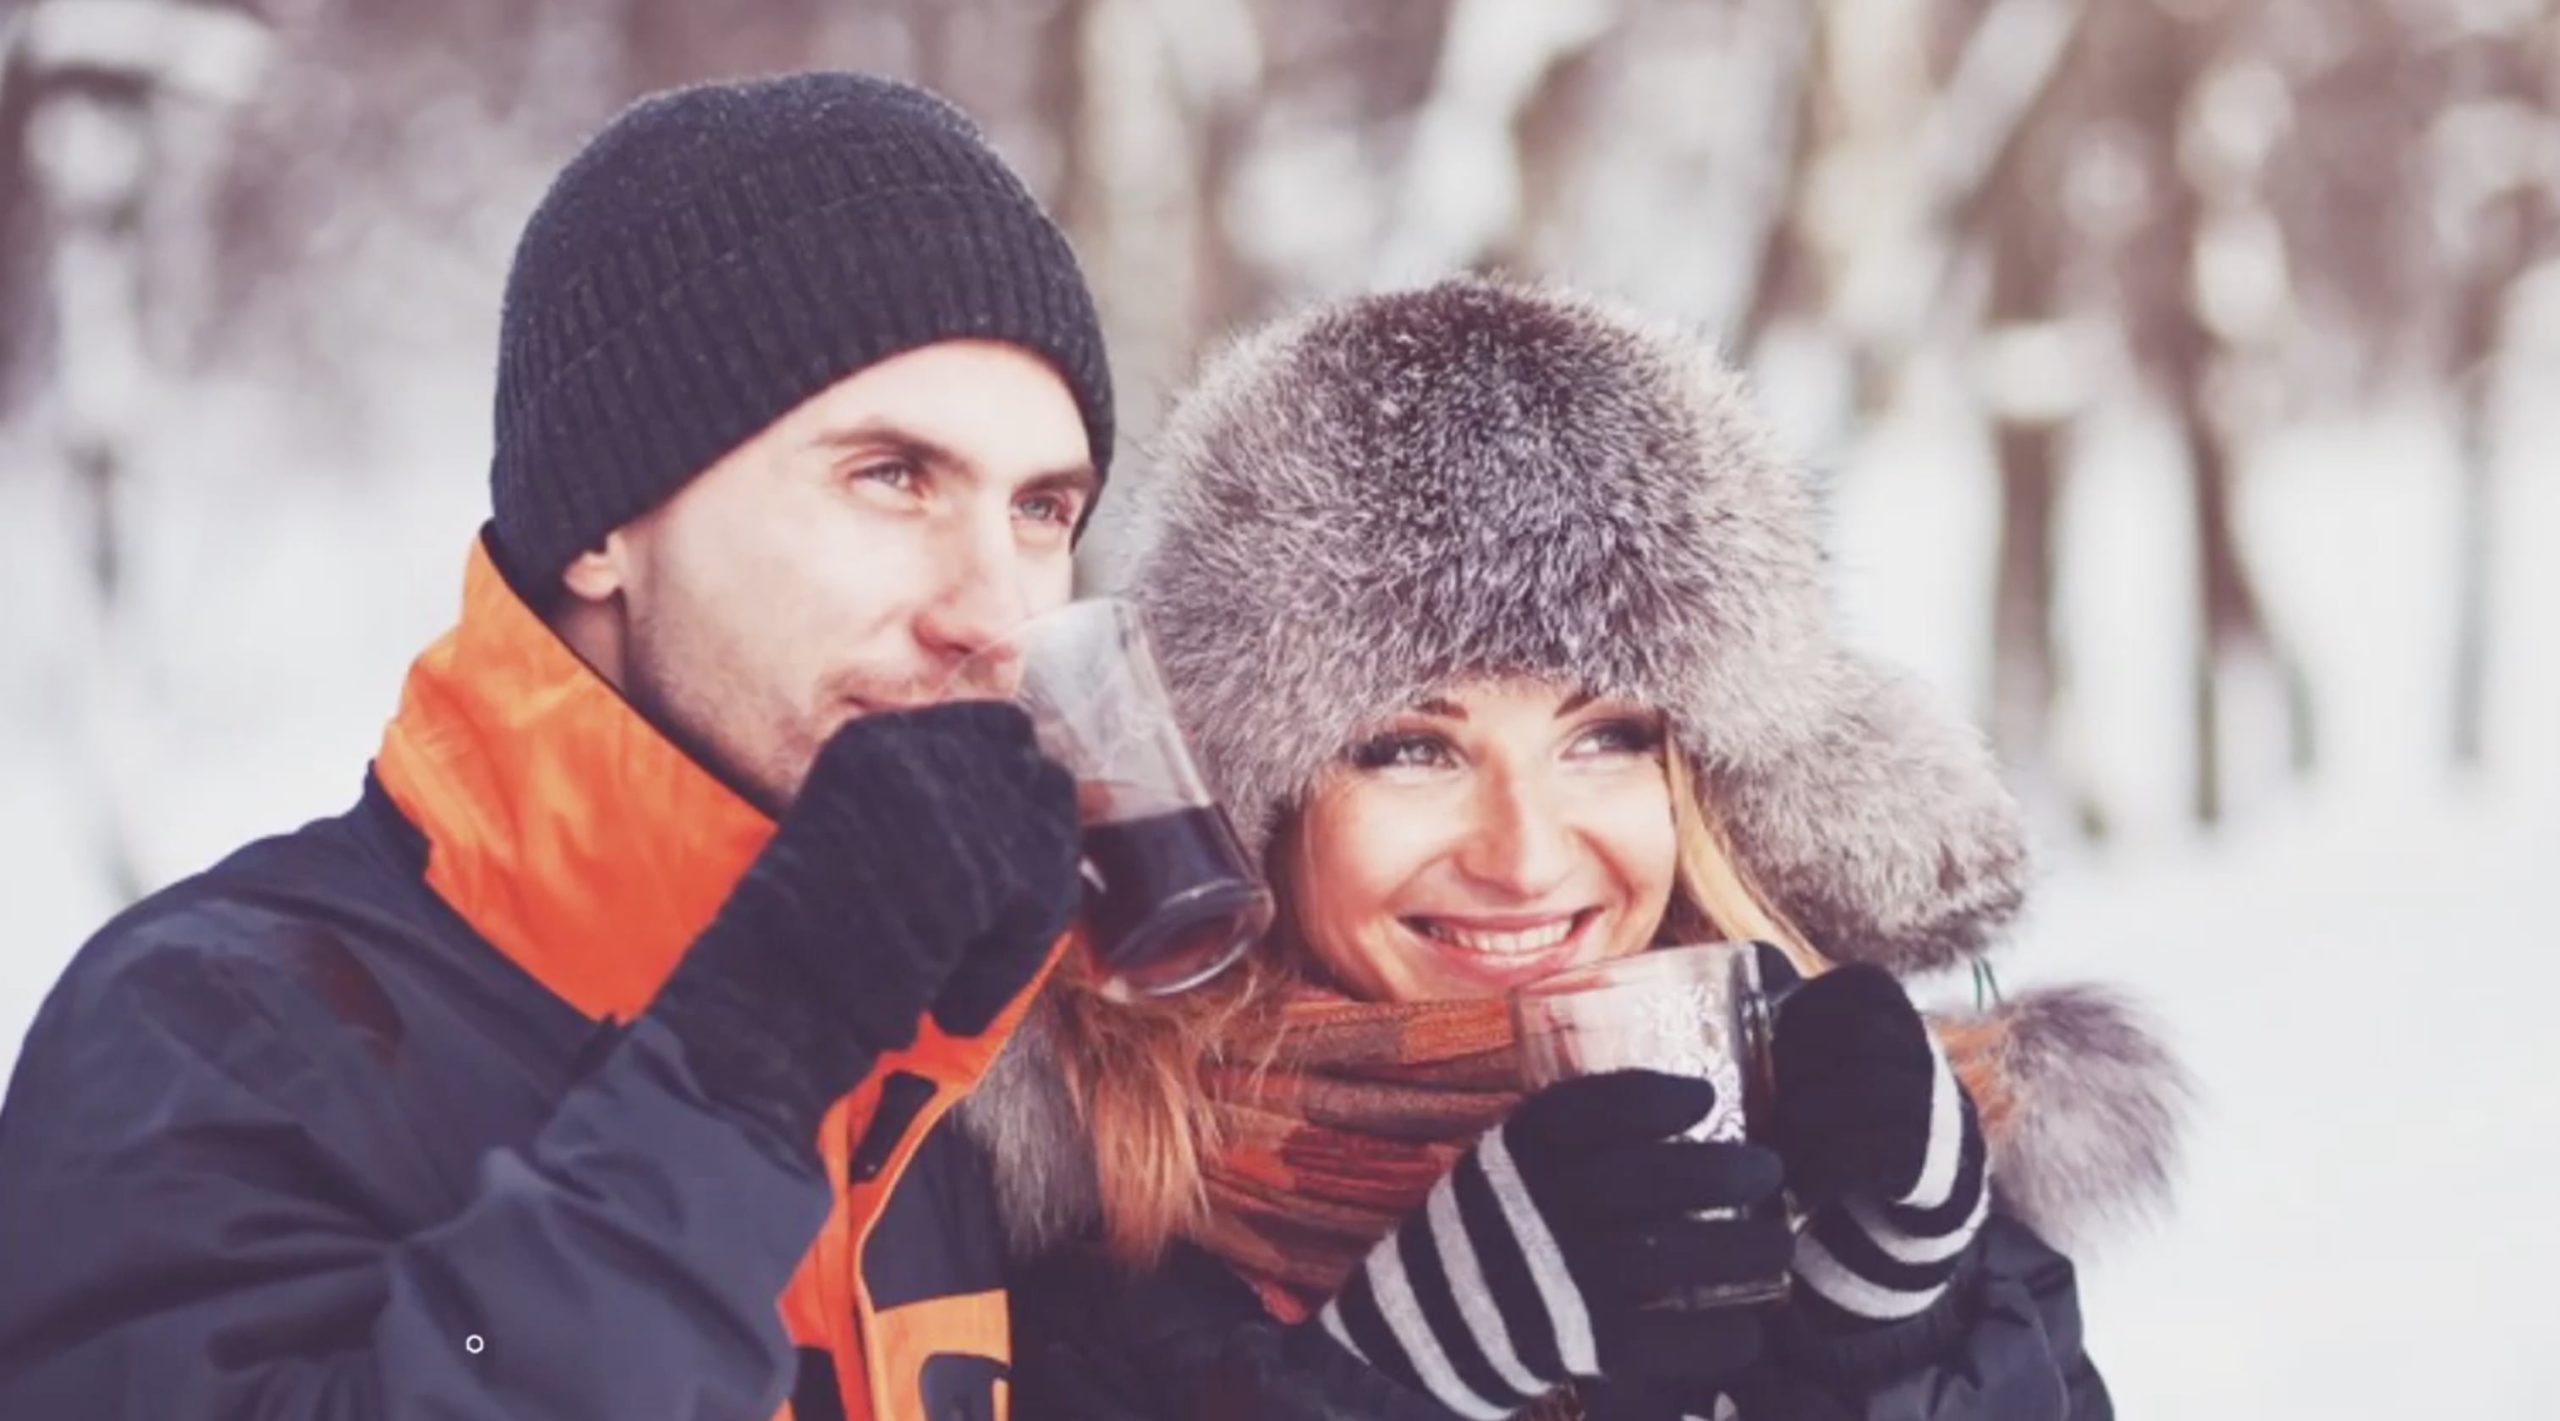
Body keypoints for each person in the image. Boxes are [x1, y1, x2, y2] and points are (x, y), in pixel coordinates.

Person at [0, 72, 1115, 1421]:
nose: (994, 615)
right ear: (603, 522)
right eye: (891, 477)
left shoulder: (954, 1065)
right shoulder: (220, 1029)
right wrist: (743, 1061)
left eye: (1043, 509)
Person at [973, 278, 2187, 1419]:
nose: (1526, 855)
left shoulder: (1860, 1137)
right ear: (1254, 803)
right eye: (1409, 748)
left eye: (1604, 735)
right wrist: (1378, 1384)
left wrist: (1891, 1336)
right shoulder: (1073, 1216)